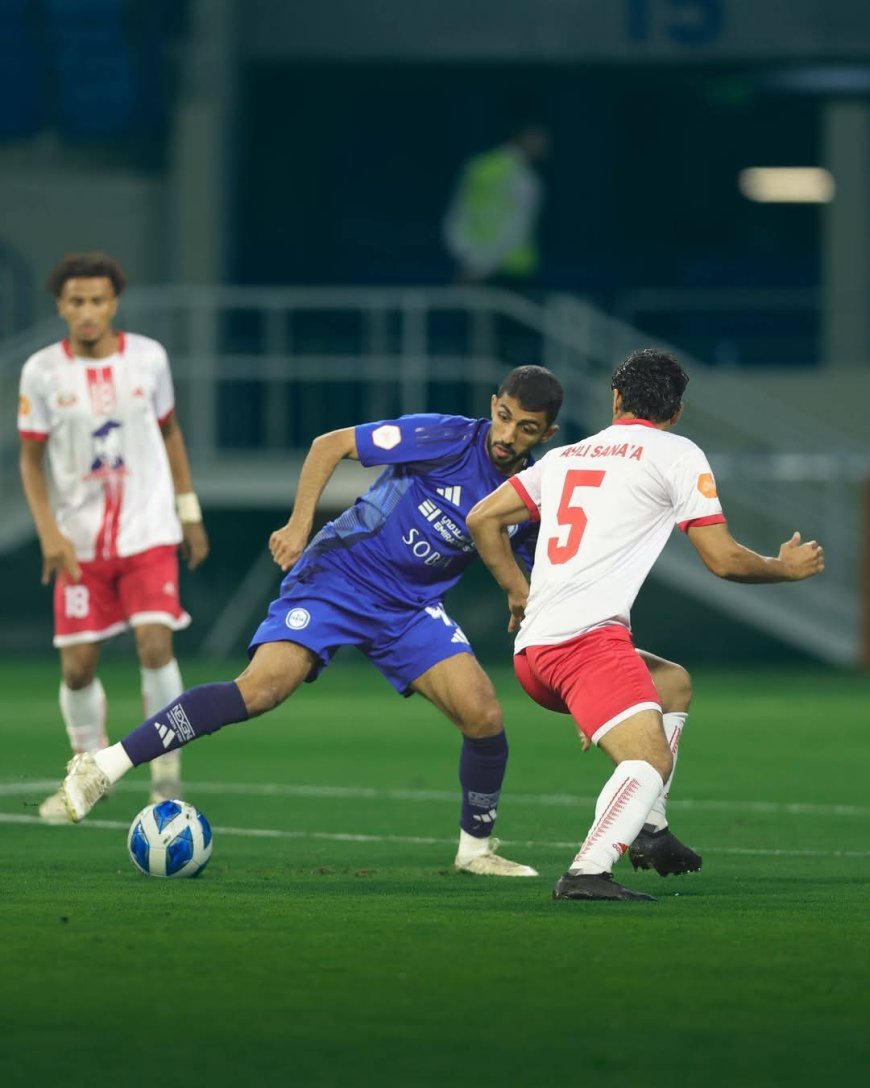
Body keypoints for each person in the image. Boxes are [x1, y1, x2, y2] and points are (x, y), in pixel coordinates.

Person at [52, 366, 564, 876]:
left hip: (409, 609)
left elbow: (526, 557)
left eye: (526, 429)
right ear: (493, 404)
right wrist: (299, 527)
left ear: (548, 434)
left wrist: (530, 599)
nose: (507, 435)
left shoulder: (526, 488)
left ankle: (475, 850)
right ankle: (103, 766)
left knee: (484, 715)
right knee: (262, 690)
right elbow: (329, 445)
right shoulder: (445, 436)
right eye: (504, 417)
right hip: (340, 576)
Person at [466, 348, 825, 901]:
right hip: (584, 644)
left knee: (671, 683)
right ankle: (586, 873)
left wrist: (519, 592)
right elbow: (723, 560)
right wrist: (785, 568)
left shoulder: (564, 456)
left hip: (535, 649)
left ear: (615, 400)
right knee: (650, 758)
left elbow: (482, 518)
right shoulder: (676, 452)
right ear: (676, 412)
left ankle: (650, 831)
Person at [17, 252, 209, 819]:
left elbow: (170, 434)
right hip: (78, 542)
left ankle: (167, 768)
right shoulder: (42, 372)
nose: (87, 311)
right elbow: (30, 461)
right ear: (61, 305)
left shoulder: (149, 359)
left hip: (148, 528)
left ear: (114, 303)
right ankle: (87, 767)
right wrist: (49, 532)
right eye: (76, 301)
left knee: (155, 641)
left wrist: (188, 510)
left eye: (98, 300)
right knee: (77, 666)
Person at [443, 121, 550, 287]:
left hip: (471, 264)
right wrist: (480, 267)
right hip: (510, 271)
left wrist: (470, 260)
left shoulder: (477, 166)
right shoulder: (525, 180)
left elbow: (457, 217)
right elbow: (517, 228)